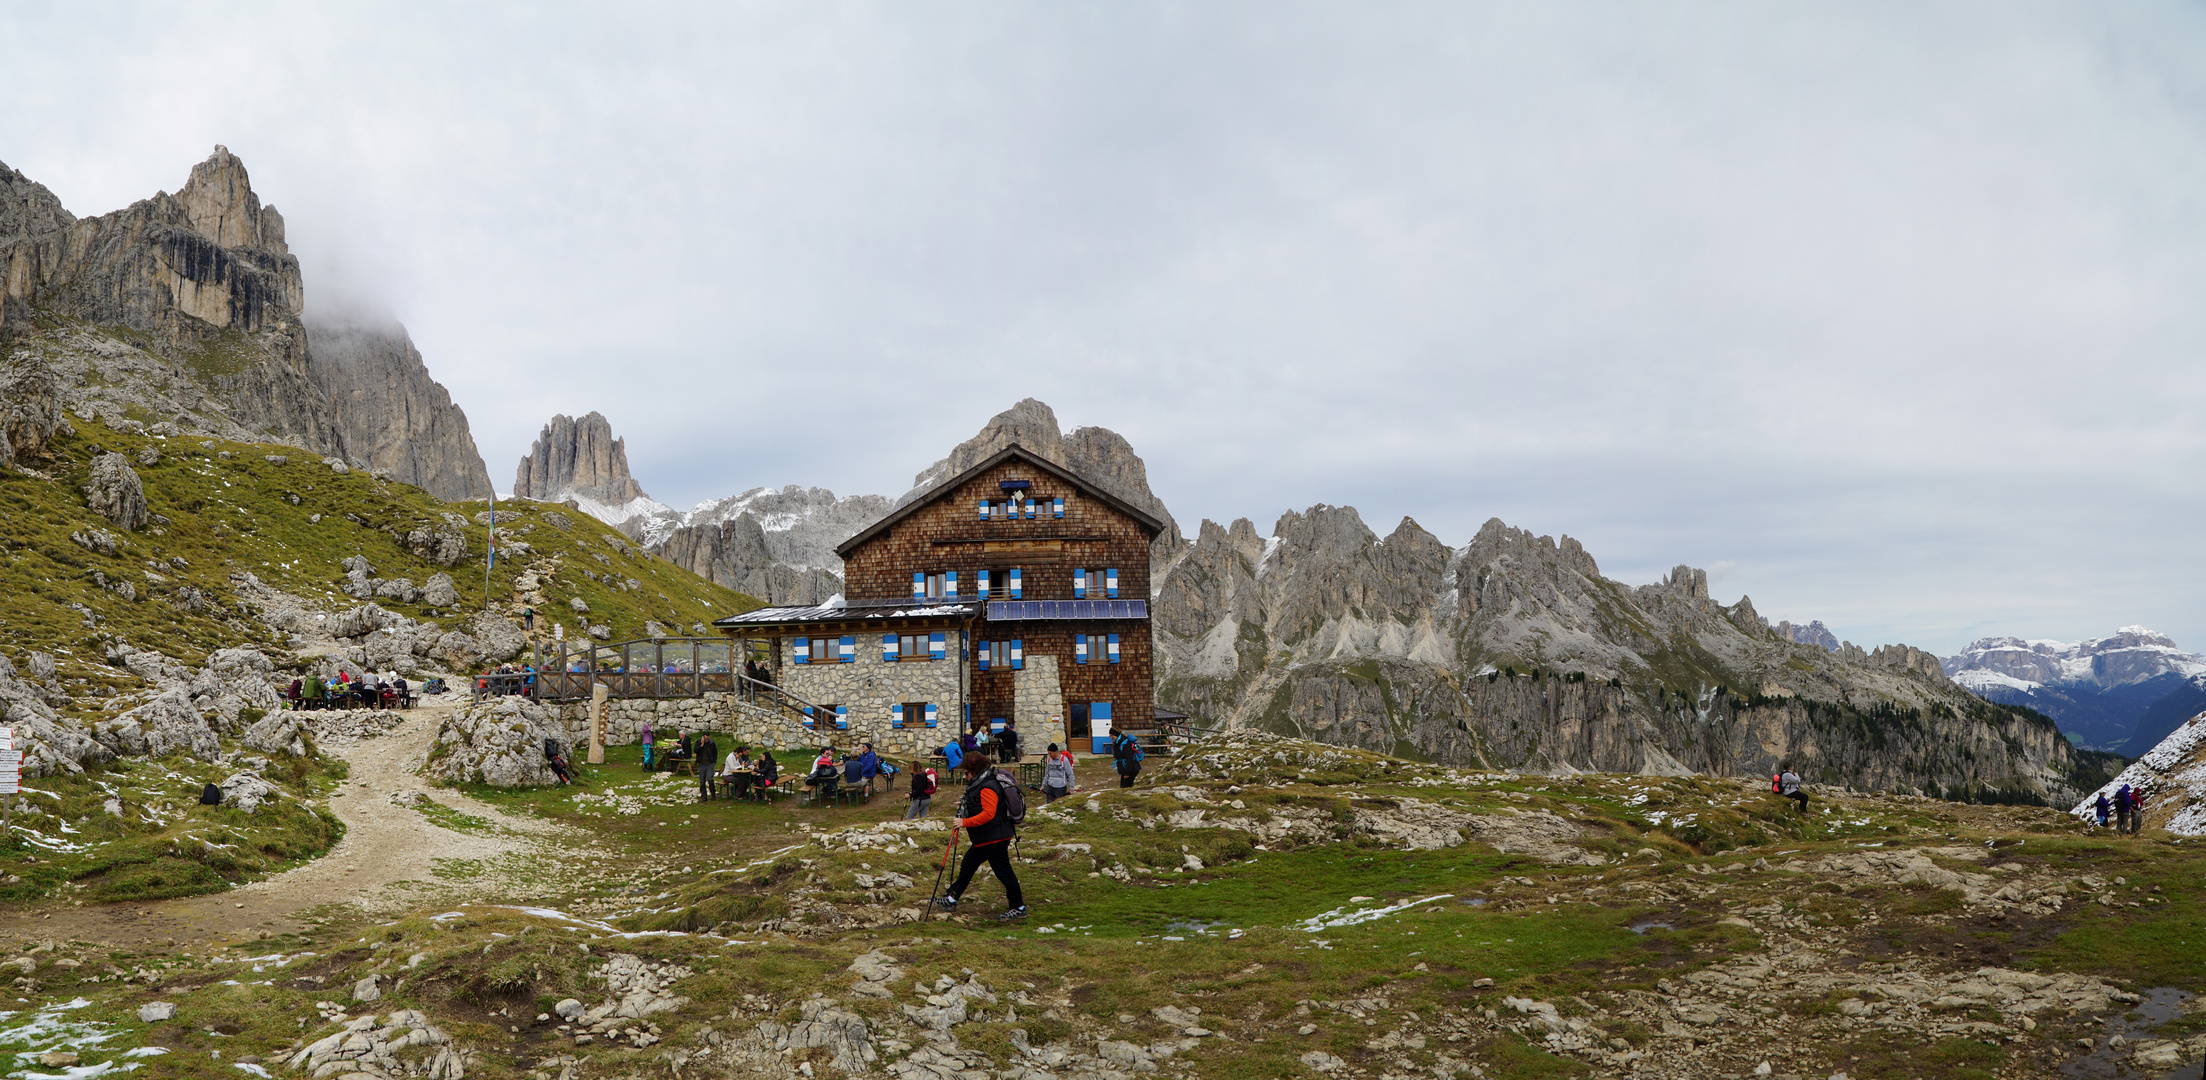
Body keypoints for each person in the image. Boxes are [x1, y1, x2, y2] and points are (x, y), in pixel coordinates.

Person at [932, 753, 1027, 921]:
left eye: (966, 772)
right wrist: (967, 805)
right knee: (968, 864)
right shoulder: (982, 781)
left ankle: (1018, 907)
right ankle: (951, 898)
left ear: (974, 771)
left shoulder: (987, 786)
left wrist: (964, 822)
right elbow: (980, 804)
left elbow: (989, 814)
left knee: (1003, 872)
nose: (965, 775)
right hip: (986, 837)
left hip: (994, 837)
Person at [696, 732, 720, 801]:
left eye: (708, 739)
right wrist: (702, 745)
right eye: (706, 739)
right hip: (701, 764)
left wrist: (714, 762)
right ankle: (704, 796)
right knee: (702, 781)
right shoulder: (698, 742)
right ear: (703, 737)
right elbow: (695, 750)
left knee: (710, 779)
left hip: (709, 764)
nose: (707, 740)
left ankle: (713, 793)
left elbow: (715, 753)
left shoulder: (712, 743)